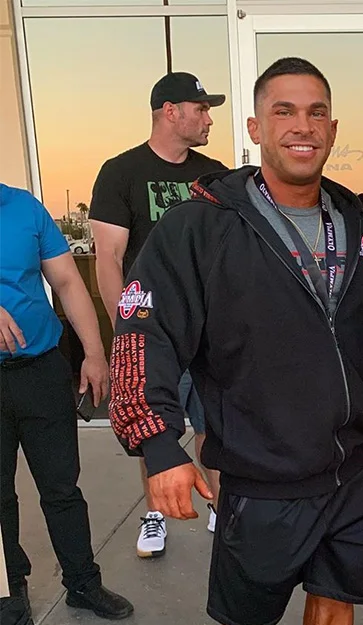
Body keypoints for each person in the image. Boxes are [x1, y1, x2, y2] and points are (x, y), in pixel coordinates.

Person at [108, 58, 363, 625]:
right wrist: (158, 444)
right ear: (254, 127)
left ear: (332, 127)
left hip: (352, 467)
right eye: (284, 111)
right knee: (248, 618)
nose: (302, 126)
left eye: (316, 112)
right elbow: (143, 332)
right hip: (261, 470)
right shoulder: (200, 226)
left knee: (337, 596)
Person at [89, 71, 226, 557]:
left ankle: (222, 509)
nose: (209, 119)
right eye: (201, 109)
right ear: (171, 111)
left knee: (214, 425)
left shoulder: (214, 175)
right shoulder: (121, 172)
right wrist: (126, 335)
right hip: (154, 329)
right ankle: (155, 515)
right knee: (155, 425)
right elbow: (108, 259)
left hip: (209, 330)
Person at [0, 184, 133, 620]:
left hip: (40, 370)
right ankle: (9, 588)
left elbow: (67, 281)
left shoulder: (24, 207)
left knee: (62, 487)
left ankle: (82, 583)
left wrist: (94, 353)